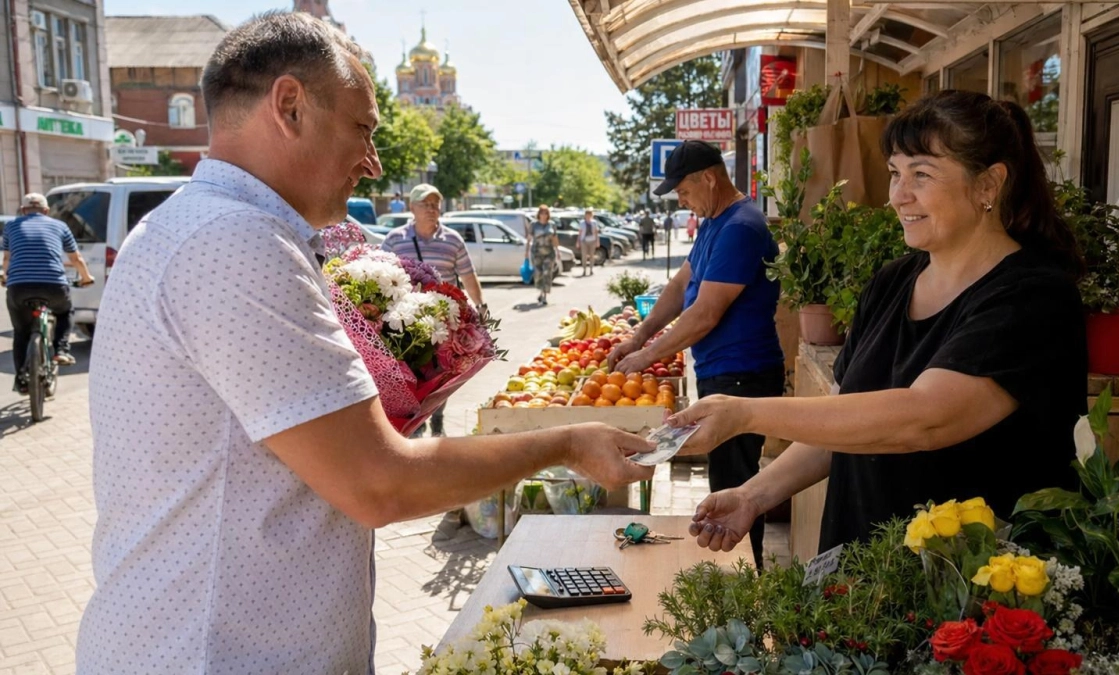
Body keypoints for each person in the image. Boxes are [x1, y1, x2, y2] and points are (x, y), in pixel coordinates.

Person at [76, 14, 653, 674]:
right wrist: (565, 440)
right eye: (363, 129)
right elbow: (379, 483)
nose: (374, 162)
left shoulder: (207, 228)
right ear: (289, 106)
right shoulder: (232, 243)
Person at [671, 90, 1087, 557]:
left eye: (922, 175)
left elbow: (922, 420)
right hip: (862, 588)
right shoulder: (893, 282)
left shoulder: (1033, 297)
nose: (898, 196)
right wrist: (753, 495)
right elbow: (845, 423)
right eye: (895, 173)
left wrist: (745, 414)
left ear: (988, 185)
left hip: (973, 602)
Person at [608, 140, 784, 568]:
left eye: (683, 190)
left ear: (709, 178)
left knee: (737, 489)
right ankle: (733, 573)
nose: (681, 200)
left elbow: (705, 313)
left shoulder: (741, 226)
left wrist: (644, 358)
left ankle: (744, 577)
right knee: (726, 482)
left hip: (743, 378)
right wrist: (638, 337)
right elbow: (679, 287)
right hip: (723, 375)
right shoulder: (713, 222)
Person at [382, 182, 486, 437]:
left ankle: (437, 418)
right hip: (404, 327)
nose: (431, 209)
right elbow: (381, 278)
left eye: (435, 205)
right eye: (425, 204)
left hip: (444, 323)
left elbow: (468, 276)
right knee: (412, 378)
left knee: (441, 376)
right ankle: (416, 427)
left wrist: (481, 307)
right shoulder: (395, 239)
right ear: (412, 207)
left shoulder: (452, 239)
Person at [1, 193, 94, 392]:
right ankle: (61, 350)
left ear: (23, 210)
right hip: (54, 285)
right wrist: (86, 277)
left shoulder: (11, 226)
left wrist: (4, 276)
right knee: (64, 311)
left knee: (21, 332)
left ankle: (21, 380)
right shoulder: (60, 226)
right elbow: (76, 258)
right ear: (46, 211)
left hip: (19, 287)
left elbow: (7, 260)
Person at [525, 204, 558, 305]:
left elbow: (555, 239)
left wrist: (558, 251)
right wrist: (526, 252)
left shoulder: (552, 224)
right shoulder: (534, 225)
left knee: (547, 273)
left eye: (546, 213)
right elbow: (529, 239)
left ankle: (544, 295)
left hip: (549, 253)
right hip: (536, 253)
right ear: (538, 214)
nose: (544, 215)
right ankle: (540, 291)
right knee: (538, 274)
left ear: (548, 215)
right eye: (542, 213)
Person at [577, 207, 600, 276]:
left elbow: (596, 232)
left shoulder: (594, 222)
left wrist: (597, 241)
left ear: (591, 215)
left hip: (592, 240)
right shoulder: (582, 223)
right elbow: (580, 233)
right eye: (587, 214)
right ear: (585, 215)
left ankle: (591, 269)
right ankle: (584, 270)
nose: (588, 216)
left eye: (590, 214)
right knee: (584, 256)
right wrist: (578, 242)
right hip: (584, 241)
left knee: (591, 256)